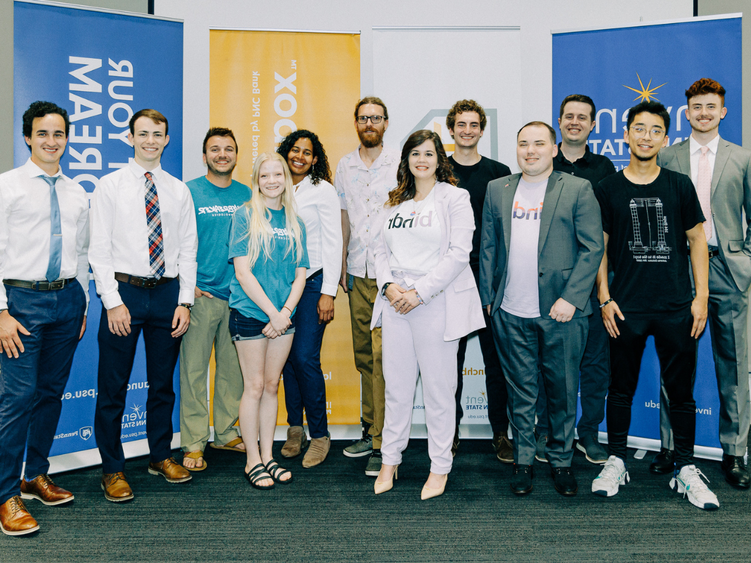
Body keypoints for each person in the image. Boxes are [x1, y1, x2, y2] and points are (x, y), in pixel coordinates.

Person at [591, 101, 719, 511]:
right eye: (639, 129)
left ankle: (685, 467)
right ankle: (616, 460)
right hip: (625, 307)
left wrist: (700, 298)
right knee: (621, 389)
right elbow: (601, 249)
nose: (646, 136)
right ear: (626, 134)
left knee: (681, 393)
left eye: (655, 130)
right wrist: (604, 298)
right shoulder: (608, 188)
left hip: (677, 306)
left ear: (666, 138)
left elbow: (698, 241)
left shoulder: (679, 185)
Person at [479, 121, 603, 497]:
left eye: (538, 144)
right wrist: (489, 299)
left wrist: (572, 298)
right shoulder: (497, 189)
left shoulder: (578, 188)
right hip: (511, 312)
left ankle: (562, 462)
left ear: (553, 149)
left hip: (561, 311)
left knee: (563, 391)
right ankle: (524, 461)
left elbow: (592, 247)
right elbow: (487, 247)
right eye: (523, 144)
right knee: (521, 393)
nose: (530, 150)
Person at [89, 109, 198, 502]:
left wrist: (185, 301)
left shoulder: (178, 189)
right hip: (124, 294)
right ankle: (112, 469)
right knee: (112, 388)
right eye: (143, 134)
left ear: (167, 139)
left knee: (163, 385)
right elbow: (98, 250)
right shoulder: (109, 186)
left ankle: (159, 456)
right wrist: (113, 302)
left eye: (158, 134)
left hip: (167, 295)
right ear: (130, 137)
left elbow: (189, 249)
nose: (151, 140)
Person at [371, 130, 484, 500]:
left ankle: (439, 468)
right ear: (406, 159)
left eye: (429, 153)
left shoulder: (454, 197)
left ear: (440, 160)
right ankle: (390, 460)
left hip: (435, 302)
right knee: (398, 388)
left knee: (438, 390)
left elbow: (459, 252)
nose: (422, 159)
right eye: (415, 153)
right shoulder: (393, 203)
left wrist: (419, 293)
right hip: (395, 303)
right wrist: (389, 286)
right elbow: (379, 251)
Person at [655, 78, 751, 489]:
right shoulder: (668, 156)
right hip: (680, 272)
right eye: (696, 106)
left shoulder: (742, 158)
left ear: (723, 111)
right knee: (675, 365)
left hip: (729, 271)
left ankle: (734, 452)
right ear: (687, 112)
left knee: (734, 366)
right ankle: (670, 447)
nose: (704, 113)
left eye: (711, 106)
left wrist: (745, 256)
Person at [0, 101, 89, 536]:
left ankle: (34, 475)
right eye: (43, 134)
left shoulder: (76, 192)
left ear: (66, 139)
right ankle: (4, 496)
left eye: (59, 134)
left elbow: (85, 252)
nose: (51, 141)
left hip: (67, 301)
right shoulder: (8, 187)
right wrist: (0, 312)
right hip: (20, 303)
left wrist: (84, 302)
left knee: (50, 394)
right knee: (16, 400)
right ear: (27, 138)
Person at [534, 94, 616, 466]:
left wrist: (602, 290)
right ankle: (547, 431)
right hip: (549, 285)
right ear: (560, 122)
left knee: (595, 364)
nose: (575, 122)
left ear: (593, 125)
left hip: (592, 282)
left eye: (583, 118)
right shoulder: (541, 164)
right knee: (546, 364)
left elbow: (605, 235)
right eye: (569, 116)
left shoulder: (604, 170)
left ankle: (588, 434)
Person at [228, 152, 308, 490]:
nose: (272, 180)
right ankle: (252, 461)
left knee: (273, 386)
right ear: (256, 180)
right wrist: (273, 314)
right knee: (255, 386)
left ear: (286, 179)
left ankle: (268, 455)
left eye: (278, 174)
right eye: (265, 175)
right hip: (250, 313)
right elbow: (243, 273)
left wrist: (286, 313)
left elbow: (301, 275)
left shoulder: (295, 220)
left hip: (283, 317)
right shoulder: (245, 215)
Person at [445, 99, 513, 462]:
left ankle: (500, 432)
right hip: (450, 277)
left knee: (496, 360)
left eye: (474, 125)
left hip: (489, 277)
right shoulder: (439, 172)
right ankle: (449, 432)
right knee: (448, 361)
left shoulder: (500, 173)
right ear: (451, 128)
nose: (467, 130)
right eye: (461, 124)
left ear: (482, 130)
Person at [180, 128, 251, 472]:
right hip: (200, 295)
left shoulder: (247, 194)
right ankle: (193, 442)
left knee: (233, 371)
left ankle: (225, 432)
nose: (222, 154)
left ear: (236, 155)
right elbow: (174, 241)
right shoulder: (189, 192)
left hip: (238, 296)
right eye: (215, 149)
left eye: (228, 149)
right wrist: (187, 286)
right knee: (194, 372)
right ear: (204, 155)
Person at [335, 97, 400, 477]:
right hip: (358, 270)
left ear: (386, 123)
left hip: (390, 273)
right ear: (356, 123)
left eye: (375, 118)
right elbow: (344, 216)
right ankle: (367, 425)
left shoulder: (400, 161)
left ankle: (382, 441)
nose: (369, 123)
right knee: (364, 353)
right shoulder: (345, 164)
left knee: (383, 356)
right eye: (363, 118)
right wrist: (342, 262)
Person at [277, 130, 342, 468]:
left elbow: (334, 242)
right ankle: (294, 428)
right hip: (280, 286)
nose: (300, 156)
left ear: (315, 159)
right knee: (286, 359)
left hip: (314, 282)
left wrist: (328, 291)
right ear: (286, 153)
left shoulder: (323, 190)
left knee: (304, 358)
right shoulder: (274, 185)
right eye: (295, 150)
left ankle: (320, 435)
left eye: (307, 152)